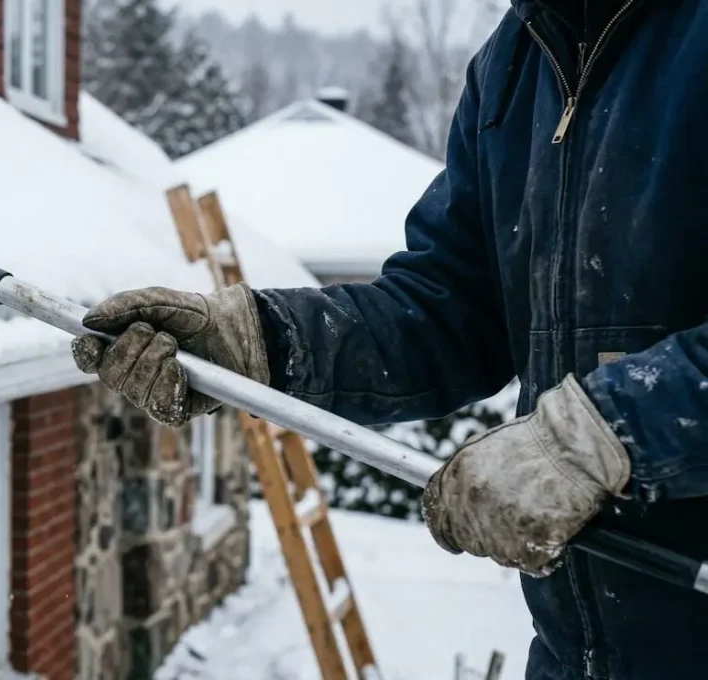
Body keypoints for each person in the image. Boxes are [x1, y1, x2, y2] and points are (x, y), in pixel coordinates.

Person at [72, 2, 708, 678]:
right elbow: (447, 310)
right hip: (579, 655)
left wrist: (606, 435)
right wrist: (259, 341)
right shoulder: (515, 64)